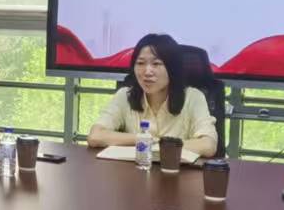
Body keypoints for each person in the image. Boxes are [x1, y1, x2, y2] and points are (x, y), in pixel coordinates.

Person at [84, 32, 218, 159]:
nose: (147, 72)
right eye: (140, 63)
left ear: (172, 69)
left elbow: (208, 145)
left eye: (156, 64)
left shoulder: (193, 98)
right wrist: (144, 139)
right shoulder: (125, 96)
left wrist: (158, 146)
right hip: (134, 172)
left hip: (176, 172)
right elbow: (95, 136)